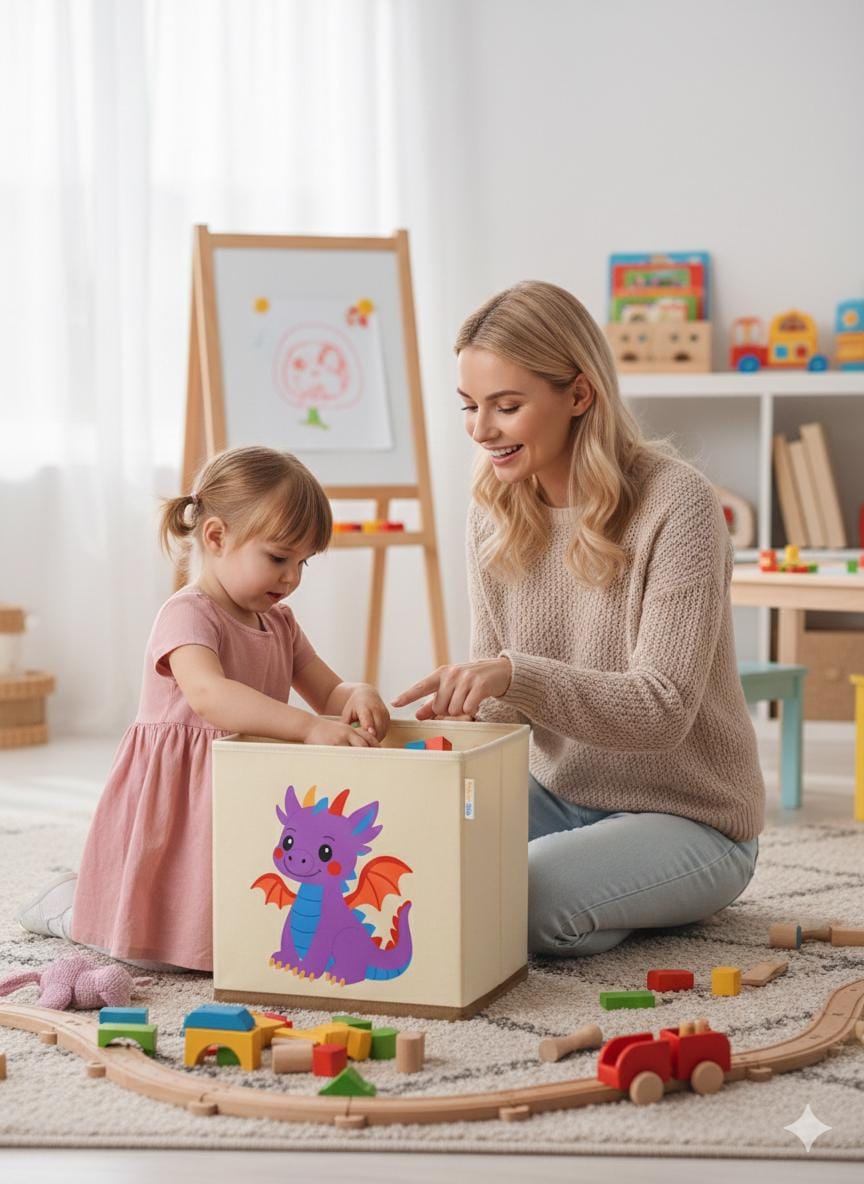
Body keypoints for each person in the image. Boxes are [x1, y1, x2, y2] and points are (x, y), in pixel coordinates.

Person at [392, 281, 763, 958]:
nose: (481, 430)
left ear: (579, 396)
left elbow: (663, 709)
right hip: (558, 795)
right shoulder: (492, 511)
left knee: (521, 899)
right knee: (409, 851)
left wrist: (513, 675)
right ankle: (609, 893)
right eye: (470, 407)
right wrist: (445, 728)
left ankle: (618, 888)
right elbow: (506, 716)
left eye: (506, 407)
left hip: (691, 815)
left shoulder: (677, 504)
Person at [17, 446, 390, 972]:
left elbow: (329, 691)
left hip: (241, 782)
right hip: (183, 789)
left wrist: (358, 695)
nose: (291, 578)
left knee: (236, 913)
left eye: (303, 562)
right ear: (216, 537)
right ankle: (68, 908)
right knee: (154, 949)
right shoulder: (187, 614)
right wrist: (305, 728)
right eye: (279, 558)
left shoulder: (280, 623)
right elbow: (210, 696)